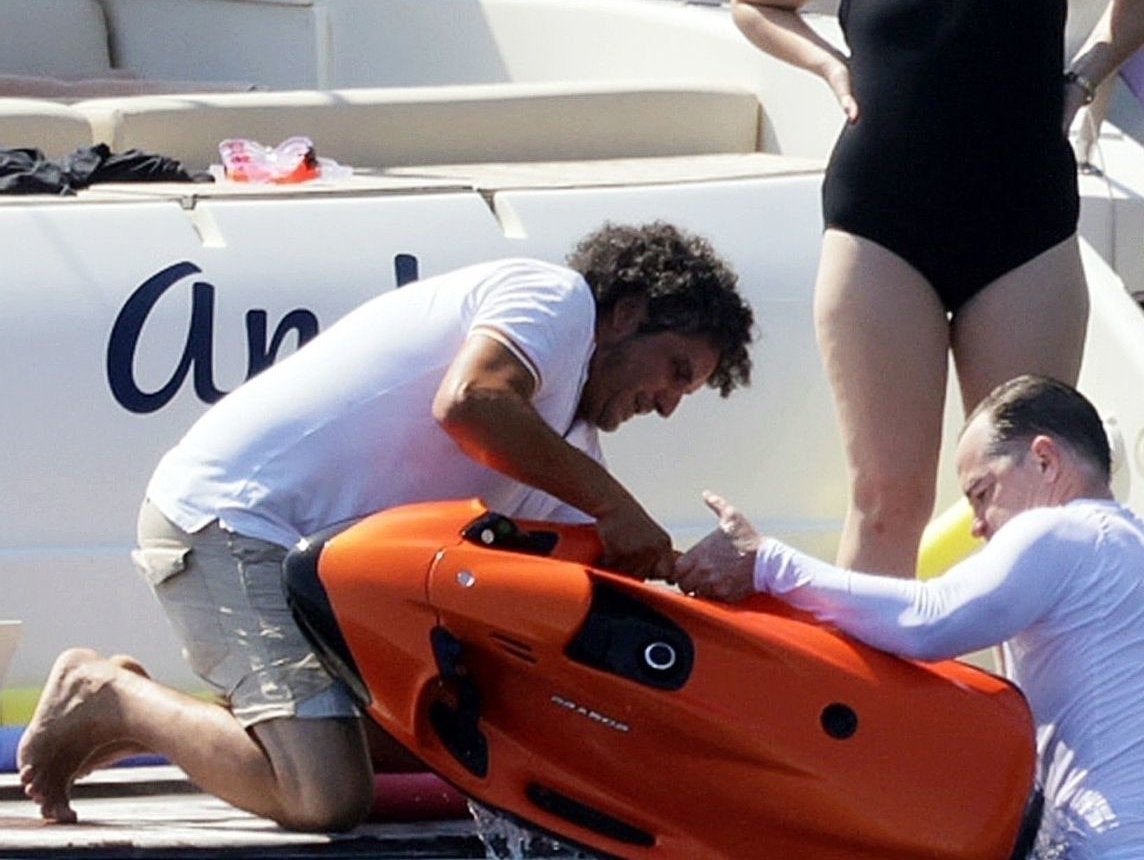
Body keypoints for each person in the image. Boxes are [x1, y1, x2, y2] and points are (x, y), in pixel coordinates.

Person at [18, 221, 754, 832]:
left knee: (455, 725)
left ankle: (213, 721)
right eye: (676, 370)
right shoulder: (554, 298)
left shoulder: (565, 450)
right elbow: (470, 402)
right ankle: (109, 696)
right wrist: (618, 508)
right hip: (232, 517)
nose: (668, 405)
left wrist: (711, 579)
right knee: (325, 798)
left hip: (302, 565)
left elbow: (609, 576)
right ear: (626, 314)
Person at [730, 0, 1144, 577]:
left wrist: (1085, 77)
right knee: (885, 497)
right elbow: (754, 0)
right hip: (880, 226)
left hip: (1024, 230)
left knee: (1032, 505)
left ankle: (1027, 672)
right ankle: (866, 673)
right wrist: (829, 67)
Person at [674, 375, 1144, 859]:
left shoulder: (1061, 532)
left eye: (982, 493)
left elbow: (930, 619)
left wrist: (768, 563)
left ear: (1044, 460)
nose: (978, 526)